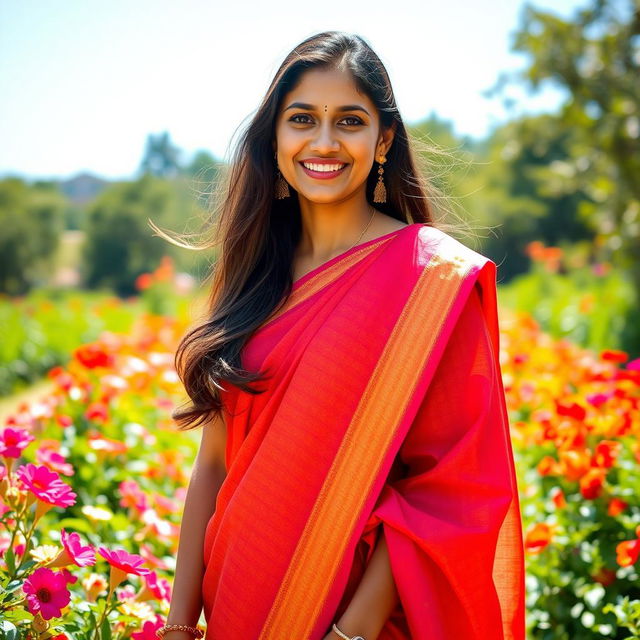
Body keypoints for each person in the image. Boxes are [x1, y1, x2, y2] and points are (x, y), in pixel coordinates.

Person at [155, 31, 526, 640]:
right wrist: (177, 623)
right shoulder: (255, 277)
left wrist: (349, 632)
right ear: (275, 137)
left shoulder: (431, 280)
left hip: (354, 618)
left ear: (382, 139)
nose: (323, 142)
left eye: (349, 120)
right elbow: (215, 464)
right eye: (302, 118)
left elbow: (445, 488)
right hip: (236, 601)